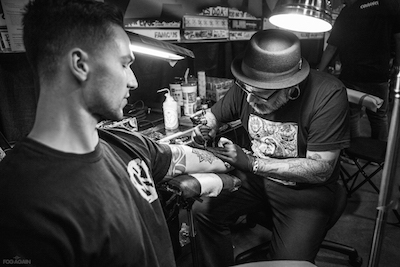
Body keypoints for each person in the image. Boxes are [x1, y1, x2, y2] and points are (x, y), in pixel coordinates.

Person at [0, 1, 233, 266]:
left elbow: (186, 156)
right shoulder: (18, 201)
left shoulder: (124, 144)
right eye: (124, 64)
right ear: (80, 64)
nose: (133, 81)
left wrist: (239, 162)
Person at [191, 29, 350, 266]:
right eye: (246, 90)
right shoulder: (249, 88)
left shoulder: (327, 94)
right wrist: (206, 126)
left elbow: (322, 168)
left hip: (304, 191)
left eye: (261, 97)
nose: (249, 101)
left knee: (288, 264)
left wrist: (253, 163)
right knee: (202, 209)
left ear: (291, 87)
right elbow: (214, 116)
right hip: (256, 180)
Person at [318, 0, 400, 141]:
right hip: (378, 74)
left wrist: (319, 71)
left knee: (352, 115)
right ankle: (378, 158)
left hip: (352, 73)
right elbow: (398, 38)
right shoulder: (388, 6)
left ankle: (353, 154)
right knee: (379, 117)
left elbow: (332, 46)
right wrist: (398, 62)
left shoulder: (348, 11)